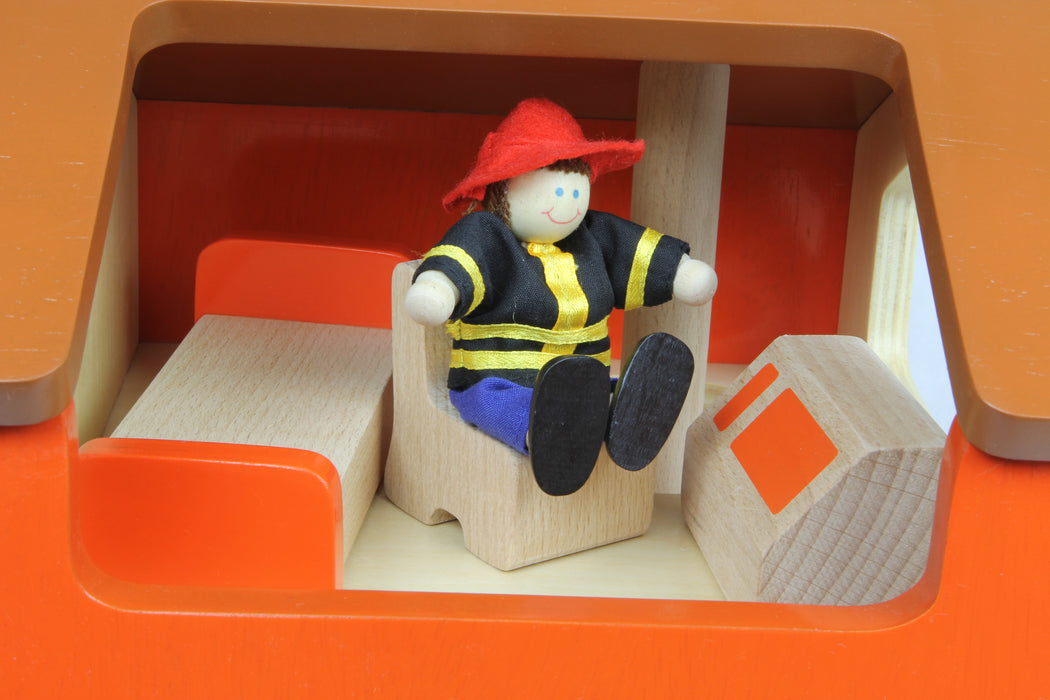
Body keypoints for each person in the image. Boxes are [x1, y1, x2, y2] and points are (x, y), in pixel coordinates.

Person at [405, 98, 716, 495]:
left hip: (582, 379)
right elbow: (463, 260)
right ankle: (544, 434)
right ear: (503, 187)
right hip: (498, 380)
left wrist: (681, 273)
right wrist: (438, 288)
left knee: (600, 393)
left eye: (574, 187)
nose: (567, 200)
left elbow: (633, 252)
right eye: (554, 187)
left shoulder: (591, 236)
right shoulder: (488, 235)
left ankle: (628, 414)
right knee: (500, 404)